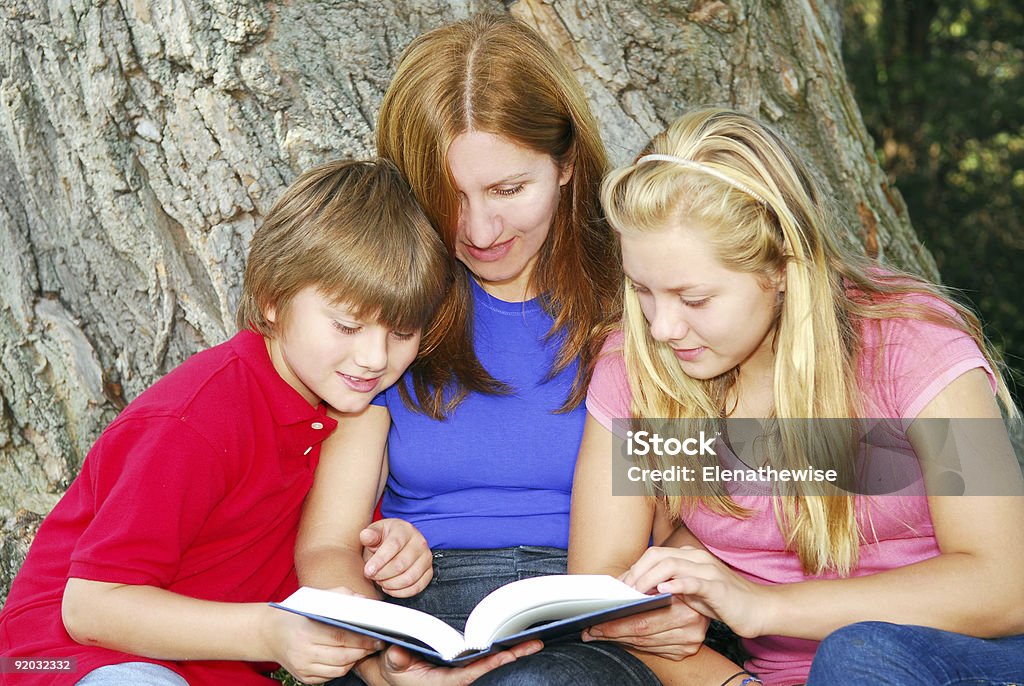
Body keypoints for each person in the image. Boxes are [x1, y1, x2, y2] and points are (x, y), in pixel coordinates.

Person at [295, 13, 717, 686]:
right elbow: (327, 546)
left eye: (508, 190)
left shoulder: (649, 305)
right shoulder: (387, 321)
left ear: (567, 164)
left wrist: (688, 586)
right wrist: (378, 655)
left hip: (588, 625)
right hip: (418, 620)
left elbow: (735, 496)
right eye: (448, 196)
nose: (480, 229)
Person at [570, 106, 1024, 686]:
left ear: (782, 267)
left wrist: (765, 607)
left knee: (859, 657)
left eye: (695, 298)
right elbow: (603, 598)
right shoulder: (637, 365)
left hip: (963, 661)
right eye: (642, 291)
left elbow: (1006, 585)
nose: (661, 327)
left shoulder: (914, 345)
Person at [0, 159, 473, 686]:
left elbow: (325, 551)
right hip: (62, 658)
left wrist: (388, 551)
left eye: (403, 333)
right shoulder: (202, 415)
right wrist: (268, 632)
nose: (373, 357)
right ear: (272, 300)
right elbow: (90, 609)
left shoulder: (355, 419)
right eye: (347, 324)